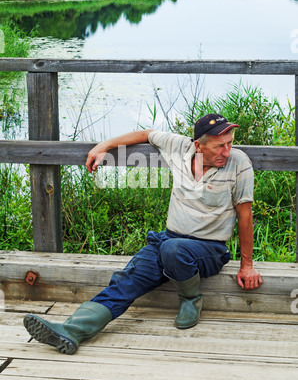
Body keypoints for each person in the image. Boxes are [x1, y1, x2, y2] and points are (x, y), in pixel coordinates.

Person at [23, 113, 263, 355]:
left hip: (209, 249)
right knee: (126, 279)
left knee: (173, 249)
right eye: (220, 146)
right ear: (198, 145)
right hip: (169, 240)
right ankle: (72, 330)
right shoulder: (179, 146)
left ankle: (191, 299)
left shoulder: (238, 163)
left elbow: (245, 216)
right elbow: (147, 134)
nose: (227, 151)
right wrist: (104, 145)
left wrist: (247, 266)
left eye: (230, 143)